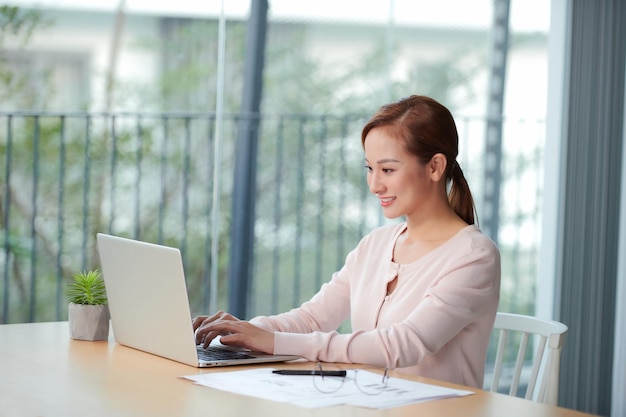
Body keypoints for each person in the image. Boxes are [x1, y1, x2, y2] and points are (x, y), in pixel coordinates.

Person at [193, 95, 500, 388]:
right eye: (370, 168)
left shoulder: (474, 256)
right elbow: (313, 317)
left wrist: (272, 342)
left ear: (435, 166)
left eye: (388, 170)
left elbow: (403, 345)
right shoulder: (375, 245)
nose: (374, 185)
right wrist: (242, 331)